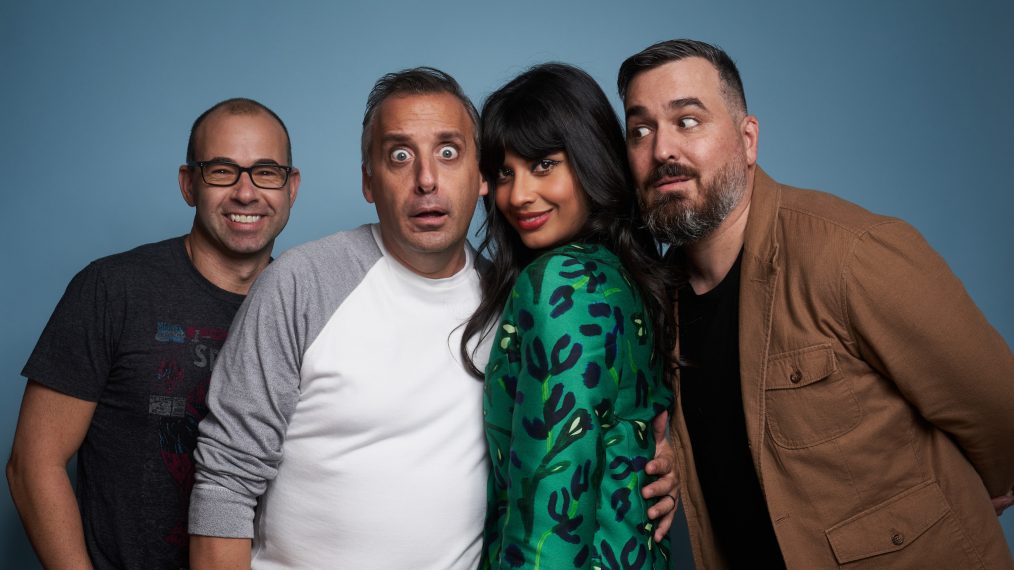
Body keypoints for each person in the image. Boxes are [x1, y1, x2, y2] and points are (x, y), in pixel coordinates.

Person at [188, 67, 678, 569]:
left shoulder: (514, 300)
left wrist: (657, 456)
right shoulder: (301, 284)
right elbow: (225, 481)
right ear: (367, 180)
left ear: (478, 176)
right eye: (400, 156)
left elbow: (584, 426)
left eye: (448, 153)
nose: (426, 179)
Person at [618, 38, 1014, 568]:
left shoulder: (850, 252)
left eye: (687, 120)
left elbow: (998, 404)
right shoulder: (657, 302)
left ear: (748, 139)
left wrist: (961, 495)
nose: (662, 149)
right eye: (640, 130)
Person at [7, 98, 299, 569]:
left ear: (291, 187)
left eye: (266, 172)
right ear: (188, 184)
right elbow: (32, 465)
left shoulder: (303, 309)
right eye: (222, 171)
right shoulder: (113, 289)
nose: (246, 193)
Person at [460, 63, 675, 569]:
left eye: (543, 165)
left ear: (590, 157)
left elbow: (550, 506)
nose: (518, 196)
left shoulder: (559, 282)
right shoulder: (625, 276)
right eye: (504, 173)